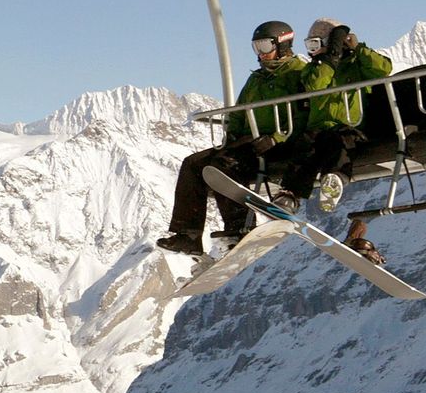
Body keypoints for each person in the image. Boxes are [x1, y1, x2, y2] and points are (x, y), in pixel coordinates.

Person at [156, 20, 307, 255]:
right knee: (193, 163)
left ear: (283, 44)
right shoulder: (256, 79)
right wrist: (232, 136)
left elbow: (303, 113)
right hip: (250, 140)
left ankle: (239, 227)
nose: (261, 53)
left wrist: (277, 137)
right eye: (256, 47)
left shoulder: (298, 74)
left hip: (280, 142)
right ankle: (188, 234)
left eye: (266, 46)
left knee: (222, 166)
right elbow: (240, 111)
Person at [274, 18, 393, 214]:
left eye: (316, 44)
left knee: (341, 144)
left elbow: (383, 69)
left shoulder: (356, 64)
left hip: (349, 125)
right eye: (309, 45)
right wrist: (331, 59)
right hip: (318, 128)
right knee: (306, 149)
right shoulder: (314, 68)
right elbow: (316, 84)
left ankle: (335, 179)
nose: (312, 51)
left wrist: (358, 48)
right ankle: (289, 194)